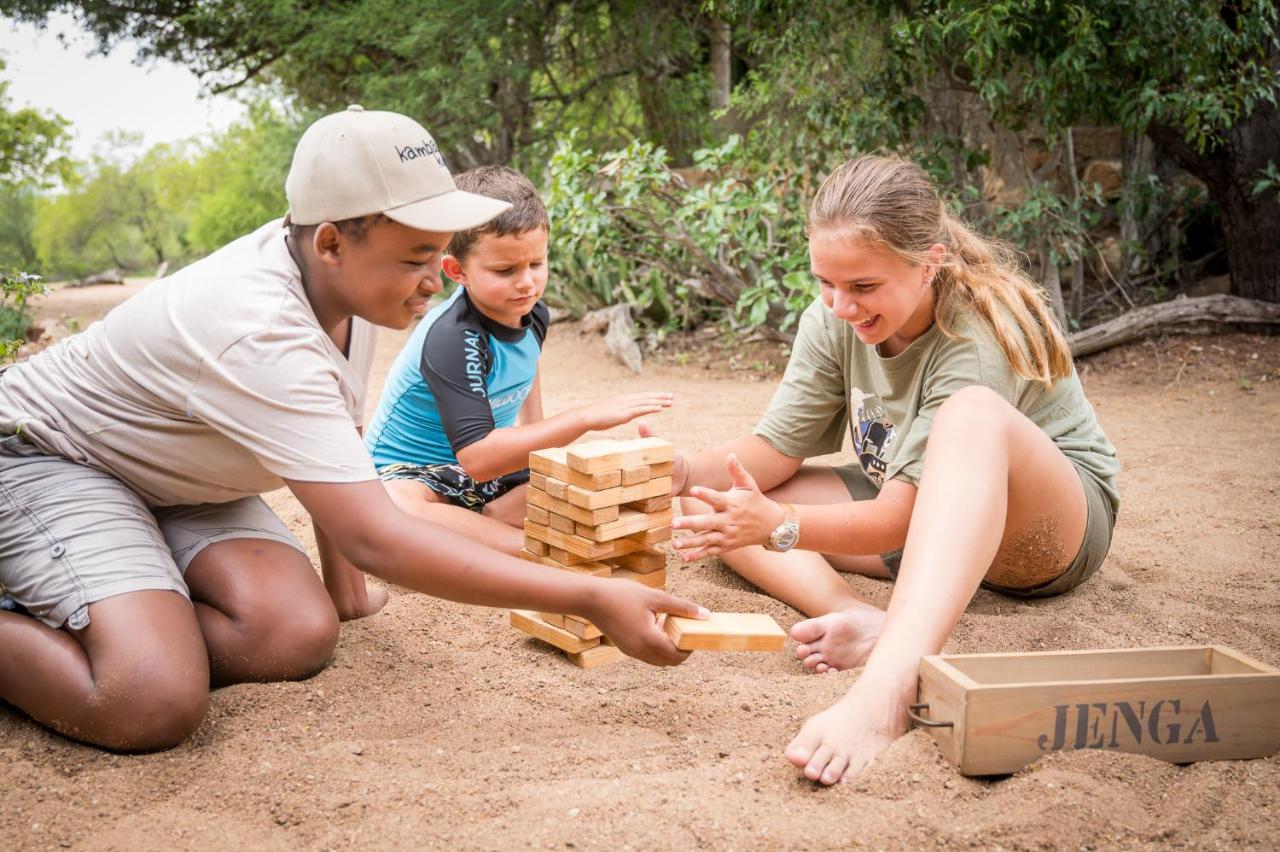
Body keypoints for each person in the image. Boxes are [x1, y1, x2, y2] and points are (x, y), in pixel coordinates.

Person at [0, 107, 705, 753]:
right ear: (332, 240)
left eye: (437, 256)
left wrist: (344, 596)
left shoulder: (347, 288)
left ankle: (126, 603)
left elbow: (340, 446)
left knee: (296, 634)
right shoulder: (259, 328)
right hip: (51, 457)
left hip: (180, 480)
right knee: (149, 699)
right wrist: (587, 593)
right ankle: (118, 620)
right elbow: (376, 534)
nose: (436, 281)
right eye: (415, 259)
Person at [664, 155, 1119, 784]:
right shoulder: (832, 318)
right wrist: (682, 469)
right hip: (917, 510)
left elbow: (897, 520)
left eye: (863, 287)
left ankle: (884, 695)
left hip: (1046, 535)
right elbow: (773, 452)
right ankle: (860, 617)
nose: (841, 304)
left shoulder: (977, 335)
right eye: (826, 281)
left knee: (972, 415)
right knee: (711, 500)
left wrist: (781, 524)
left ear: (929, 262)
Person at [360, 166, 673, 555]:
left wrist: (543, 463)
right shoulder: (452, 337)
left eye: (536, 264)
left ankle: (483, 526)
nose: (526, 282)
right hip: (415, 477)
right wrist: (582, 418)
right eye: (505, 270)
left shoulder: (532, 312)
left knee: (590, 479)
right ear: (458, 271)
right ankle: (531, 550)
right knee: (394, 503)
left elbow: (527, 368)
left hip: (484, 479)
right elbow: (477, 459)